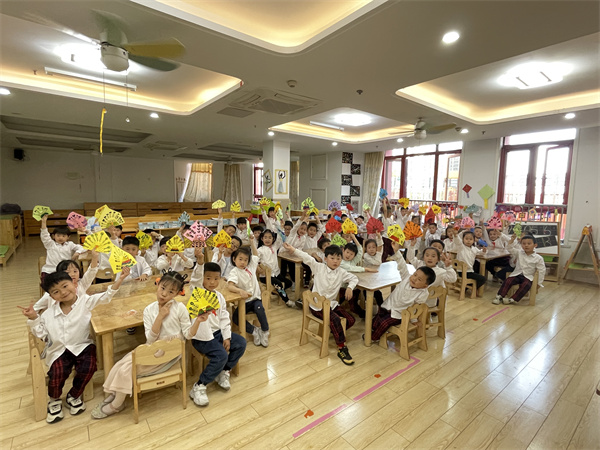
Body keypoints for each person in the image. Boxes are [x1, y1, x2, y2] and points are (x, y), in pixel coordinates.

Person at [90, 270, 207, 418]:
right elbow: (150, 340)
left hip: (170, 355)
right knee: (120, 364)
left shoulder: (180, 309)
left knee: (126, 370)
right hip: (152, 350)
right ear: (157, 284)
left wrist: (198, 321)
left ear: (177, 293)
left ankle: (117, 405)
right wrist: (160, 316)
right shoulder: (149, 310)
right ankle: (115, 393)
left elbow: (188, 335)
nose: (164, 294)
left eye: (171, 292)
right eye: (163, 288)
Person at [19, 267, 129, 423]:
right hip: (58, 350)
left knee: (89, 366)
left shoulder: (85, 301)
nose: (63, 292)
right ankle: (54, 400)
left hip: (82, 345)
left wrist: (120, 279)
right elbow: (41, 334)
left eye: (65, 286)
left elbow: (106, 296)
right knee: (57, 373)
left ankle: (74, 394)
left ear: (73, 283)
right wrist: (33, 318)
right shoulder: (49, 314)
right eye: (56, 292)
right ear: (51, 296)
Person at [282, 242, 358, 365]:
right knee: (336, 320)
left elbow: (354, 278)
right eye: (332, 258)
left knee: (351, 320)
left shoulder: (341, 272)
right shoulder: (319, 267)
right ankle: (341, 348)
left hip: (331, 304)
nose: (335, 261)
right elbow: (307, 258)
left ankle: (334, 331)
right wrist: (293, 249)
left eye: (338, 258)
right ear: (325, 258)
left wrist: (350, 287)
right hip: (317, 306)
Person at [188, 260, 247, 406]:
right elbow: (195, 278)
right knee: (221, 355)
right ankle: (199, 385)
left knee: (241, 343)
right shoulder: (196, 292)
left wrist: (227, 337)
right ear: (202, 278)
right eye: (208, 278)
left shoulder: (219, 296)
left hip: (218, 333)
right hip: (202, 337)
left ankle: (224, 371)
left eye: (216, 279)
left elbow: (224, 317)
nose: (212, 282)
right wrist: (199, 262)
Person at [370, 241, 436, 342]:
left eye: (419, 279)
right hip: (387, 305)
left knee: (384, 323)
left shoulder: (423, 293)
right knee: (376, 320)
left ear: (425, 286)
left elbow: (416, 308)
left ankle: (374, 338)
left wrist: (413, 320)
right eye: (415, 275)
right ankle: (374, 329)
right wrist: (396, 252)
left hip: (399, 314)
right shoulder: (406, 277)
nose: (414, 279)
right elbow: (402, 265)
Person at [227, 245, 270, 347]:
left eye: (246, 260)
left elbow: (256, 255)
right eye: (240, 259)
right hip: (244, 302)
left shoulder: (251, 267)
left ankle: (265, 331)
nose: (243, 262)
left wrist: (252, 242)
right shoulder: (234, 271)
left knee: (260, 308)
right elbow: (230, 286)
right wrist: (240, 291)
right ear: (234, 259)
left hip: (255, 299)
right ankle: (254, 331)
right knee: (236, 318)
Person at [34, 251, 99, 313]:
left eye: (75, 271)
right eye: (67, 272)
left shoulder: (82, 284)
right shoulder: (53, 292)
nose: (72, 274)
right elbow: (36, 308)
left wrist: (95, 257)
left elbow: (91, 271)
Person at [493, 235, 545, 305]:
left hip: (528, 277)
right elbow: (510, 249)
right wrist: (511, 241)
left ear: (535, 245)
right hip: (517, 274)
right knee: (508, 281)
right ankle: (499, 296)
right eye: (524, 243)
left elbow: (541, 271)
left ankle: (512, 299)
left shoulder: (538, 258)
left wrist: (539, 283)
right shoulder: (519, 252)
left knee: (526, 285)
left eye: (529, 243)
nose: (526, 245)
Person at [406, 241, 456, 308]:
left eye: (433, 256)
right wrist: (412, 246)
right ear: (423, 257)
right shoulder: (420, 264)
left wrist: (449, 267)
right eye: (427, 255)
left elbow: (453, 279)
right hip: (414, 298)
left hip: (428, 302)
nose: (430, 258)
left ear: (438, 259)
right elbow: (411, 258)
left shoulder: (440, 271)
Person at [39, 215, 85, 282]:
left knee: (76, 281)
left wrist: (77, 253)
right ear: (53, 236)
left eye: (63, 236)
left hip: (65, 272)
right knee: (50, 284)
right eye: (58, 235)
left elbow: (83, 247)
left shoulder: (70, 244)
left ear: (68, 237)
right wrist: (44, 221)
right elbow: (44, 235)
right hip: (50, 271)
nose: (60, 238)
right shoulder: (50, 244)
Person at [257, 229, 293, 307]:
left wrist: (280, 226)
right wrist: (258, 268)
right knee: (279, 284)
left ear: (273, 239)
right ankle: (287, 301)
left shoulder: (275, 247)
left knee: (289, 283)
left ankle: (277, 291)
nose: (267, 239)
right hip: (265, 276)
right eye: (265, 237)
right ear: (262, 239)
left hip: (276, 274)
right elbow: (255, 260)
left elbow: (280, 236)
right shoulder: (260, 250)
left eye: (270, 237)